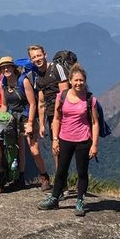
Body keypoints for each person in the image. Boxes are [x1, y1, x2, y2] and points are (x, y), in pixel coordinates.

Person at [38, 64, 100, 216]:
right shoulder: (62, 96)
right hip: (65, 138)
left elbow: (94, 122)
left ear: (85, 81)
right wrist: (55, 139)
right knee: (61, 171)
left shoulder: (90, 99)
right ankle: (54, 199)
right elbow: (57, 119)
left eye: (82, 80)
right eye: (76, 80)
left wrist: (94, 145)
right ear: (70, 80)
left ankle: (79, 201)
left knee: (82, 172)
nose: (79, 83)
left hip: (83, 140)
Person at [0, 57, 51, 191]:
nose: (6, 69)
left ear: (13, 67)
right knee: (18, 149)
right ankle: (20, 178)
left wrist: (30, 123)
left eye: (8, 66)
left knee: (34, 149)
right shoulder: (3, 83)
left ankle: (44, 176)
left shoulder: (23, 80)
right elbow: (4, 105)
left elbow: (33, 103)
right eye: (3, 68)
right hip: (13, 118)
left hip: (27, 116)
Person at [27, 44, 70, 171]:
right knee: (56, 148)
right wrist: (41, 124)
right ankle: (61, 181)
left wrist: (59, 116)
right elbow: (41, 103)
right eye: (34, 57)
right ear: (31, 60)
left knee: (68, 147)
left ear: (45, 55)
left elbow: (65, 95)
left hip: (65, 114)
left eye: (39, 55)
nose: (37, 59)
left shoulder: (57, 68)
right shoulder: (37, 78)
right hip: (51, 116)